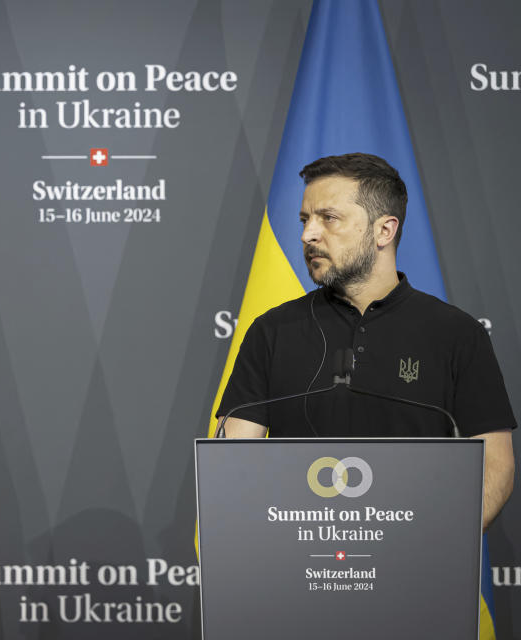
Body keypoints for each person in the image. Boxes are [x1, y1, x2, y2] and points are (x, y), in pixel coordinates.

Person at [218, 152, 516, 530]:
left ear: (384, 231)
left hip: (416, 569)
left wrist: (443, 545)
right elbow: (232, 463)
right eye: (305, 219)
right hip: (297, 567)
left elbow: (496, 466)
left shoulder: (457, 334)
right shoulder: (271, 331)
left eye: (329, 218)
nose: (307, 234)